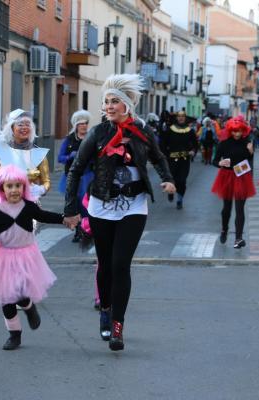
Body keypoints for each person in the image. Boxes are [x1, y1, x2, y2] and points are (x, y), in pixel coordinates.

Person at [63, 74, 176, 351]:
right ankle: (105, 307)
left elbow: (158, 157)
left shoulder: (142, 131)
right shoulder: (98, 133)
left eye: (115, 102)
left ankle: (117, 326)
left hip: (134, 206)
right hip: (102, 206)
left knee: (121, 265)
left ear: (127, 105)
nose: (109, 106)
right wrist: (70, 209)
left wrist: (168, 178)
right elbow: (76, 170)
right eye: (107, 102)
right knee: (105, 265)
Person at [0, 164, 69, 350]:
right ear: (2, 188)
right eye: (9, 186)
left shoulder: (28, 207)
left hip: (26, 255)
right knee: (6, 298)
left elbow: (44, 216)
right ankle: (14, 334)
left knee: (19, 292)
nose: (14, 190)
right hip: (3, 257)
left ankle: (29, 307)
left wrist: (63, 218)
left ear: (24, 187)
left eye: (18, 186)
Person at [0, 109, 51, 200]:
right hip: (4, 204)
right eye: (20, 125)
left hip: (29, 204)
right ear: (11, 128)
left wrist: (41, 189)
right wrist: (1, 190)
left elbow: (46, 181)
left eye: (28, 124)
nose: (24, 127)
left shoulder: (39, 154)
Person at [211, 116, 256, 248]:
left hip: (242, 177)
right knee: (227, 208)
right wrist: (220, 163)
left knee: (240, 209)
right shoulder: (224, 144)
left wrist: (251, 152)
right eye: (234, 131)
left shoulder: (247, 142)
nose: (237, 133)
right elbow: (215, 161)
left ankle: (238, 238)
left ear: (243, 130)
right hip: (227, 176)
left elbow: (249, 159)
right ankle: (224, 229)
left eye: (239, 131)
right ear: (230, 130)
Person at [58, 110, 94, 242]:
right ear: (76, 125)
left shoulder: (92, 138)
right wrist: (70, 156)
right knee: (75, 205)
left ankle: (86, 230)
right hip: (72, 177)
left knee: (87, 205)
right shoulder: (69, 140)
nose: (83, 126)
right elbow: (60, 158)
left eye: (85, 123)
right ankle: (78, 230)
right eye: (80, 124)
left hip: (88, 176)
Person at [161, 110, 198, 209]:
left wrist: (193, 151)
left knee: (182, 181)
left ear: (185, 118)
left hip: (184, 160)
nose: (181, 118)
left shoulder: (190, 131)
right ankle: (171, 192)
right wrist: (165, 155)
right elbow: (163, 144)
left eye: (183, 116)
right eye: (179, 116)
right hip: (171, 160)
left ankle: (180, 200)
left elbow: (195, 144)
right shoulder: (169, 130)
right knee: (172, 179)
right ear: (176, 118)